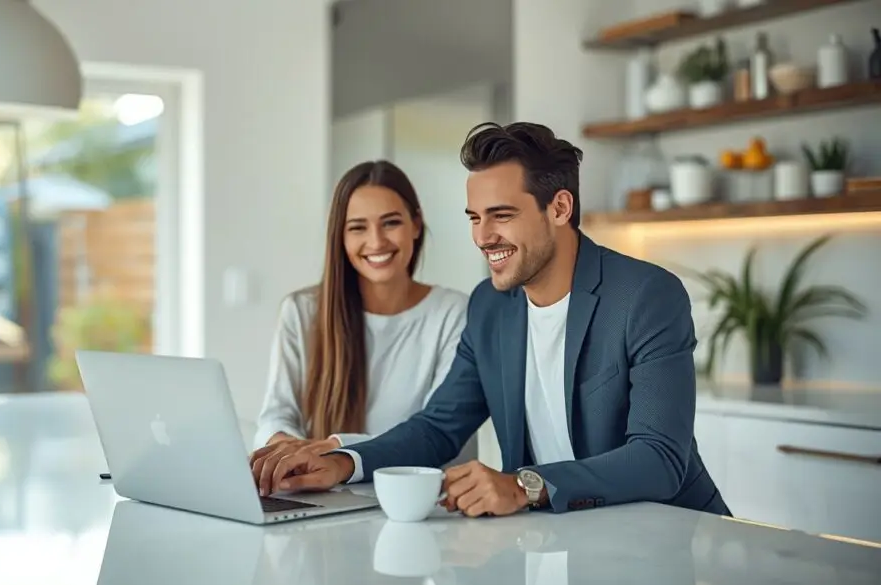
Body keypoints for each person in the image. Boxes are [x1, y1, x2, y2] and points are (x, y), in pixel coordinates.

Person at [259, 122, 731, 517]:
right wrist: (343, 462)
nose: (483, 236)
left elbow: (659, 459)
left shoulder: (645, 296)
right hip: (560, 537)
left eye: (501, 215)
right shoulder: (490, 306)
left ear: (560, 208)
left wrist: (526, 485)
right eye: (474, 217)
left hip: (671, 536)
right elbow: (438, 427)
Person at [250, 160, 470, 497]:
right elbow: (277, 413)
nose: (376, 241)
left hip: (409, 500)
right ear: (340, 236)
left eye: (391, 223)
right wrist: (286, 449)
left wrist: (333, 451)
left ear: (416, 224)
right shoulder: (302, 311)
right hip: (316, 496)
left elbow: (432, 433)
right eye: (357, 228)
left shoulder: (452, 313)